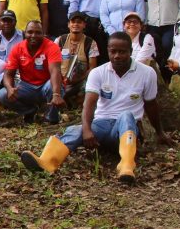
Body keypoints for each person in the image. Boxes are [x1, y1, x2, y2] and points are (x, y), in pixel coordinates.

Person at [21, 32, 167, 184]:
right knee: (75, 129)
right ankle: (47, 161)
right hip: (102, 125)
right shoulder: (98, 73)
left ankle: (127, 166)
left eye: (122, 52)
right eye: (113, 51)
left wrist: (160, 132)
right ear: (108, 51)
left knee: (126, 115)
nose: (117, 56)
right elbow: (88, 104)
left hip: (127, 129)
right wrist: (87, 130)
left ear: (130, 51)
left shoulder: (147, 73)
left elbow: (151, 105)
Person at [0, 21, 65, 124]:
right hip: (26, 87)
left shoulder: (52, 47)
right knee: (3, 94)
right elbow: (8, 74)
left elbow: (55, 71)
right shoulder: (17, 48)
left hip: (46, 86)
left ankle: (51, 118)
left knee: (54, 86)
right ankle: (29, 112)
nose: (33, 35)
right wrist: (10, 88)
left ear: (43, 34)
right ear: (25, 33)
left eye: (38, 32)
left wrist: (56, 94)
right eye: (30, 32)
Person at [144, 0, 180, 81]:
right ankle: (156, 81)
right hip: (152, 25)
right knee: (153, 53)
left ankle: (169, 79)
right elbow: (146, 5)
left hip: (170, 25)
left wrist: (179, 23)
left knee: (166, 50)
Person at [56, 12, 99, 103]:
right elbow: (53, 64)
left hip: (80, 80)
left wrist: (77, 79)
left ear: (84, 25)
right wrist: (60, 78)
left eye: (79, 22)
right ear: (68, 25)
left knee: (92, 81)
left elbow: (92, 68)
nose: (76, 24)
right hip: (60, 79)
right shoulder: (60, 40)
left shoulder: (91, 43)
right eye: (73, 22)